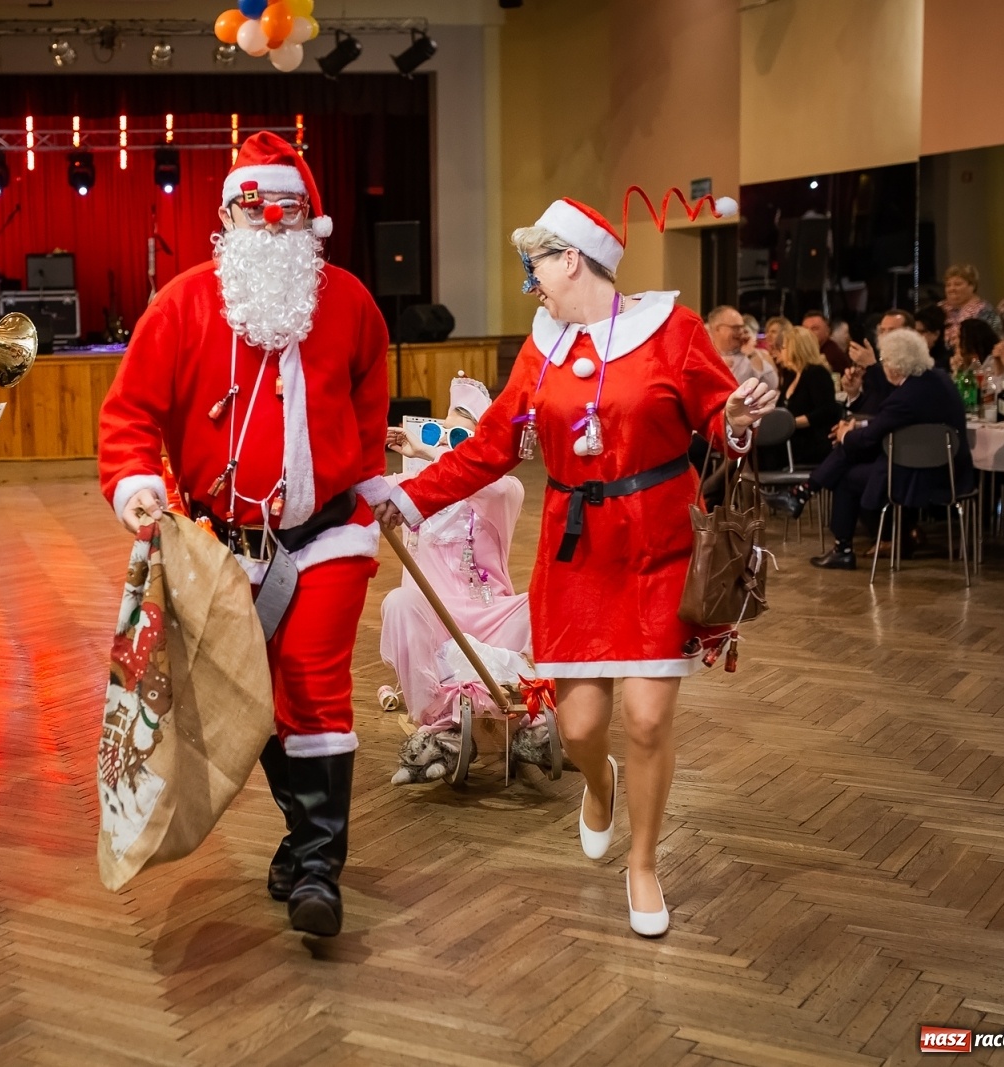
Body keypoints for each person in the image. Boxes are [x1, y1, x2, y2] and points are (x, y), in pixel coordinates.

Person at [376, 189, 777, 937]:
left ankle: (645, 863)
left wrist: (741, 421)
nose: (530, 285)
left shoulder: (672, 332)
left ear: (572, 260)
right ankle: (600, 782)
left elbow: (722, 421)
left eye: (536, 268)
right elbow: (494, 442)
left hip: (658, 548)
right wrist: (411, 498)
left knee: (648, 716)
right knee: (583, 726)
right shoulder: (542, 348)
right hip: (575, 551)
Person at [99, 131, 389, 938]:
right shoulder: (184, 304)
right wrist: (134, 481)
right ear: (226, 216)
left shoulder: (353, 304)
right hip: (219, 541)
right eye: (251, 212)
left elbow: (370, 404)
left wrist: (371, 479)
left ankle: (321, 869)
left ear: (312, 222)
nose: (268, 227)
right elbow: (129, 415)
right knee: (253, 691)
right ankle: (302, 841)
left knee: (313, 680)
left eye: (285, 213)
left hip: (327, 535)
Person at [379, 374, 534, 783]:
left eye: (462, 435)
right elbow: (365, 492)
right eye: (439, 428)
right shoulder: (409, 487)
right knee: (397, 602)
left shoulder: (506, 490)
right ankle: (436, 721)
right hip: (436, 620)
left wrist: (429, 451)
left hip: (490, 618)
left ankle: (534, 711)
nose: (446, 439)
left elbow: (488, 482)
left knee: (548, 602)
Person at [808, 328, 972, 570]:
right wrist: (855, 430)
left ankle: (842, 548)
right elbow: (890, 420)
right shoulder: (939, 380)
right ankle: (807, 492)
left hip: (921, 477)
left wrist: (846, 434)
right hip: (952, 470)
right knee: (859, 457)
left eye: (884, 361)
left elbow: (871, 436)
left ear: (895, 367)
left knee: (847, 475)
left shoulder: (907, 395)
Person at [764, 324, 840, 467]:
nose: (782, 351)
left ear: (796, 349)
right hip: (789, 438)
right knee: (749, 446)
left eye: (785, 347)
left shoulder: (817, 373)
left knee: (758, 450)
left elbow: (826, 411)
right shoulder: (791, 375)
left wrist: (791, 423)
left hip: (810, 440)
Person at [842, 308, 910, 417]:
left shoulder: (914, 363)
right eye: (882, 331)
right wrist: (853, 393)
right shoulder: (879, 364)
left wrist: (871, 366)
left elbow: (896, 399)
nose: (886, 336)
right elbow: (871, 407)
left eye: (891, 330)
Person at [705, 305, 778, 391]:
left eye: (742, 327)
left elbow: (772, 385)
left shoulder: (752, 355)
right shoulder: (703, 355)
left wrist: (752, 354)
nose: (740, 332)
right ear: (718, 329)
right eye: (736, 328)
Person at [939, 264, 1002, 356]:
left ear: (972, 286)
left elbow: (997, 344)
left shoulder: (985, 311)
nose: (951, 289)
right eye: (948, 285)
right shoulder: (940, 309)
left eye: (958, 284)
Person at [915, 304, 952, 371]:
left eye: (921, 332)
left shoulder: (946, 362)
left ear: (936, 334)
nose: (915, 336)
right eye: (914, 331)